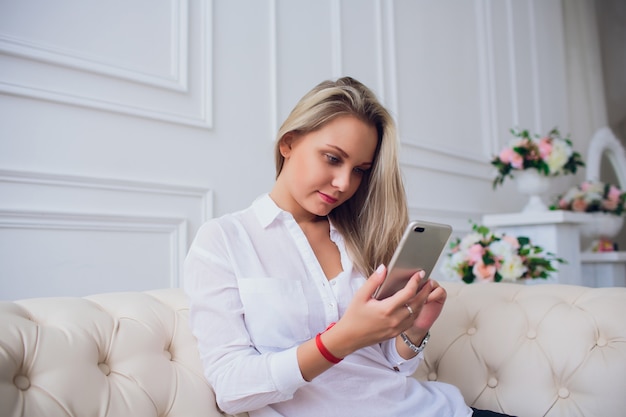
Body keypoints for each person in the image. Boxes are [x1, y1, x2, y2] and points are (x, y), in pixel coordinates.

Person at [184, 77, 515, 417]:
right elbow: (231, 388)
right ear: (288, 143)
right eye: (331, 158)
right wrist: (340, 340)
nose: (344, 183)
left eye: (359, 170)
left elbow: (392, 366)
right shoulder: (224, 240)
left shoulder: (361, 237)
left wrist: (415, 330)